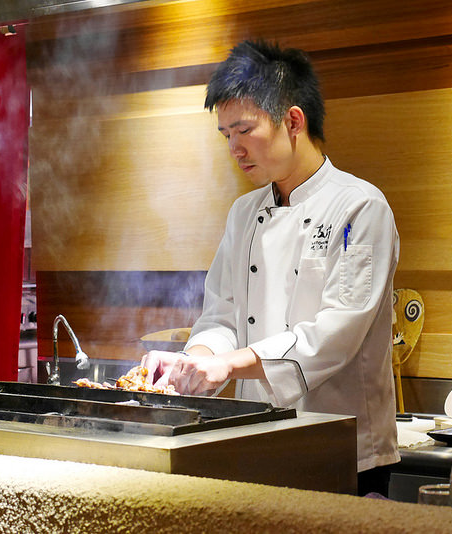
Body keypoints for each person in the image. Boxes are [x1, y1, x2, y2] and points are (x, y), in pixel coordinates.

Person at [141, 40, 400, 496]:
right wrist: (193, 362)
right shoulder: (244, 212)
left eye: (244, 130)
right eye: (226, 136)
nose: (235, 149)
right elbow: (221, 316)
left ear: (293, 121)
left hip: (342, 449)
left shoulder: (359, 207)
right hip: (256, 439)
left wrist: (226, 366)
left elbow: (334, 334)